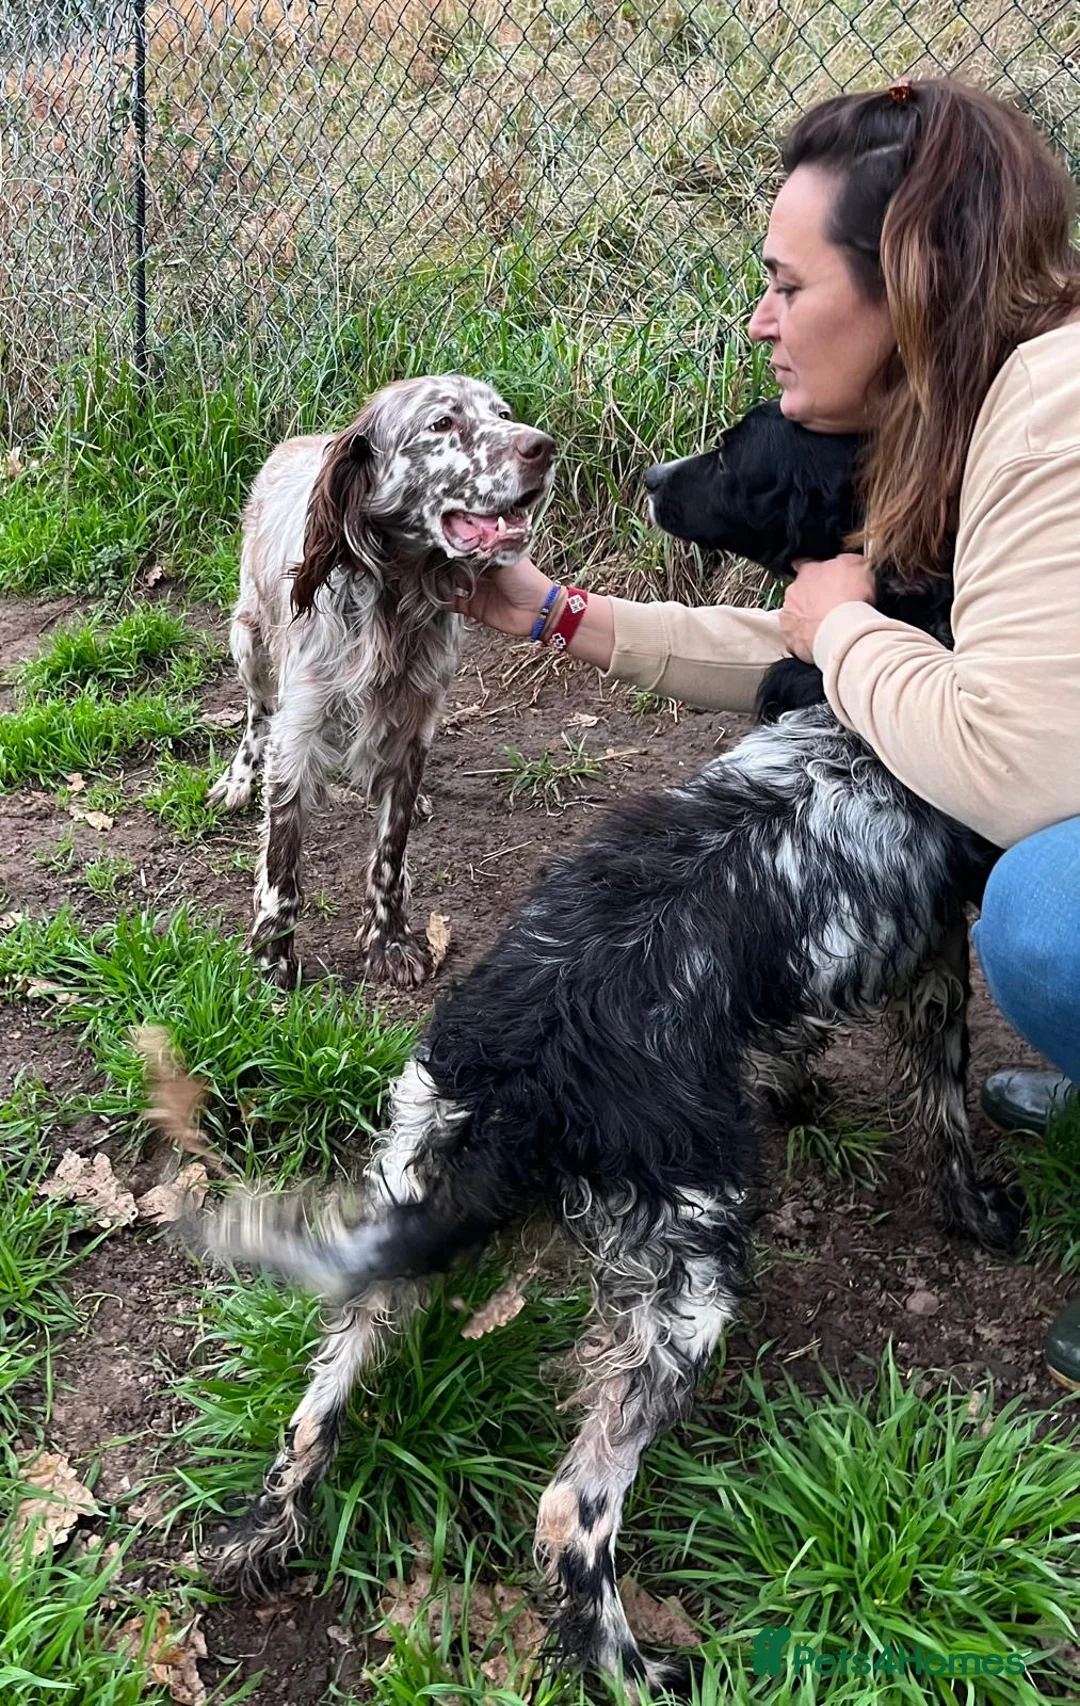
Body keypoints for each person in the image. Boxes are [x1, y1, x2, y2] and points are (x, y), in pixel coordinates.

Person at [455, 79, 1080, 1389]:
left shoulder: (1058, 402)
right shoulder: (966, 402)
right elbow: (839, 644)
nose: (762, 320)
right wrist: (562, 614)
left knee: (1047, 913)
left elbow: (1021, 764)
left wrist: (845, 624)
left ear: (913, 279)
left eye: (789, 286)